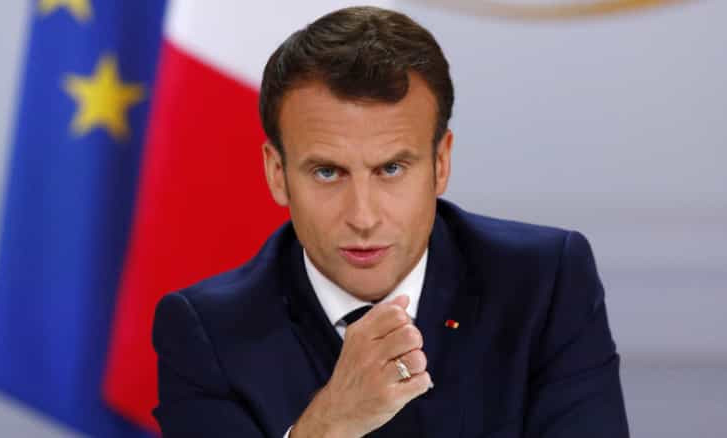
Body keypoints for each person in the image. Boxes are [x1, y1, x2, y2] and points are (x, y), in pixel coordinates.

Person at [151, 6, 629, 438]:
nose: (363, 217)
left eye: (392, 169)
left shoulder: (544, 284)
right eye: (327, 172)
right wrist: (329, 425)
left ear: (441, 163)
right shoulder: (206, 332)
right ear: (277, 174)